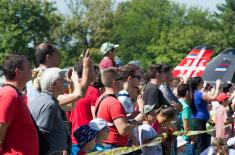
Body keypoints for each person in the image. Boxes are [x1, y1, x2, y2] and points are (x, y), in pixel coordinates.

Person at [95, 67, 144, 149]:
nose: (124, 81)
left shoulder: (101, 98)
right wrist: (136, 121)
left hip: (105, 145)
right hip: (113, 147)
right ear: (115, 82)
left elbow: (110, 121)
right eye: (121, 79)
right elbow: (123, 130)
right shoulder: (114, 103)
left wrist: (129, 116)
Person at [0, 54, 39, 155]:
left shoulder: (13, 93)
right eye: (29, 67)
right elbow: (1, 127)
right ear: (18, 71)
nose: (32, 69)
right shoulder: (10, 94)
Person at [28, 68, 68, 154]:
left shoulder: (38, 99)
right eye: (62, 78)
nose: (65, 81)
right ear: (53, 83)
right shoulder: (50, 104)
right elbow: (41, 136)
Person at [190, 77, 221, 154]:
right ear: (199, 83)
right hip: (202, 120)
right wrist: (217, 86)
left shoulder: (192, 93)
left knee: (200, 143)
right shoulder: (200, 93)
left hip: (196, 120)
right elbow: (214, 97)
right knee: (203, 144)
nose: (203, 82)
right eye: (202, 81)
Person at [177, 84, 195, 155]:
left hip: (179, 139)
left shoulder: (178, 102)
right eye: (191, 91)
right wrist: (192, 139)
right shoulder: (186, 107)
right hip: (185, 140)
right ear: (187, 92)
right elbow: (186, 127)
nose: (192, 93)